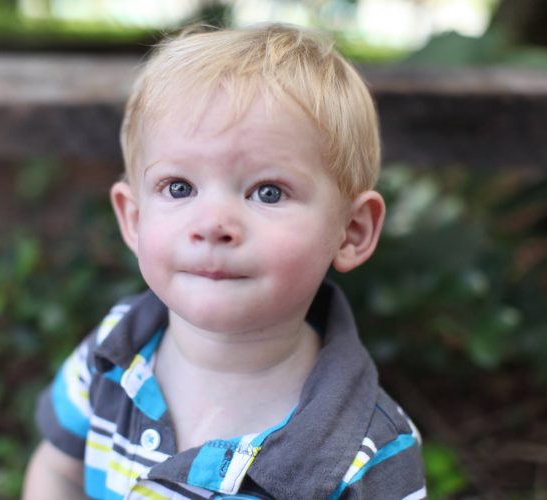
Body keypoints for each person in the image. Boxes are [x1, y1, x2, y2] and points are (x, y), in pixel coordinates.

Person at [23, 23, 426, 500]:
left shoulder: (366, 453)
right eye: (179, 188)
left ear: (351, 232)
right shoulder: (112, 351)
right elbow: (59, 472)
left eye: (268, 192)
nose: (213, 223)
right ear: (133, 219)